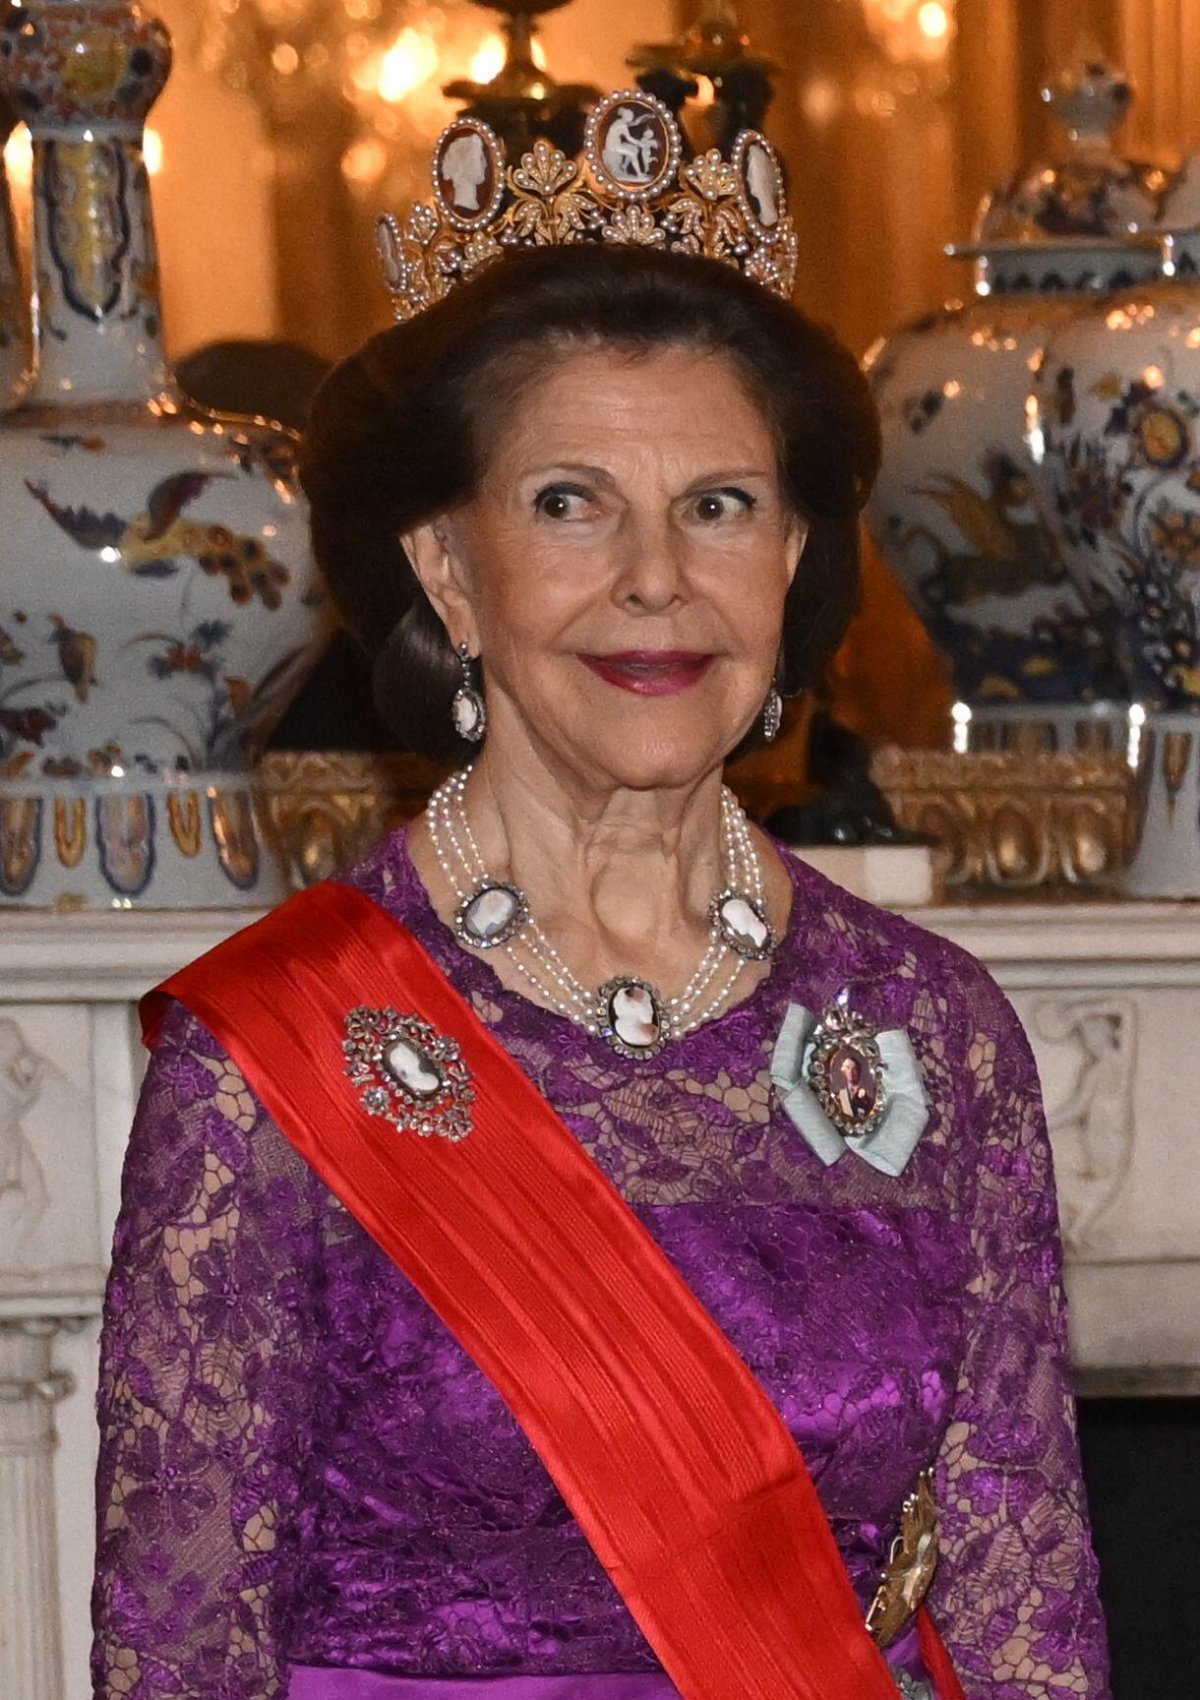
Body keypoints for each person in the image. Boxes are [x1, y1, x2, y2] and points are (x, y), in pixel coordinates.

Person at [90, 114, 1110, 1700]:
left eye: (718, 505)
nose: (655, 577)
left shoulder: (932, 1031)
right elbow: (179, 1657)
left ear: (789, 556)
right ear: (446, 566)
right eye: (568, 502)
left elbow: (1022, 1611)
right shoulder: (270, 1069)